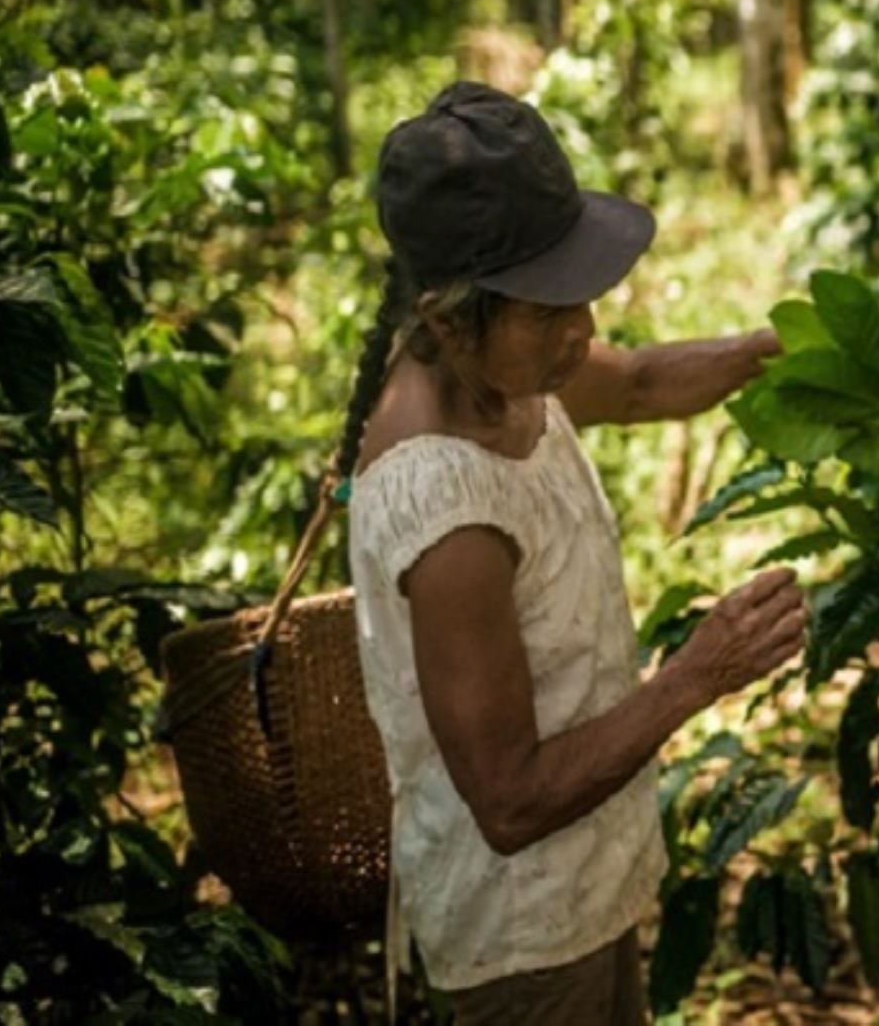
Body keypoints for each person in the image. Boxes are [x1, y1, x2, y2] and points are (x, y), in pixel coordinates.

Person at [342, 82, 807, 1025]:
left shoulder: (500, 371)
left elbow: (636, 383)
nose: (582, 331)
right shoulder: (448, 515)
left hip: (581, 891)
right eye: (550, 310)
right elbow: (508, 802)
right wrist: (697, 674)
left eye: (582, 299)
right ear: (445, 318)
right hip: (519, 940)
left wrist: (777, 349)